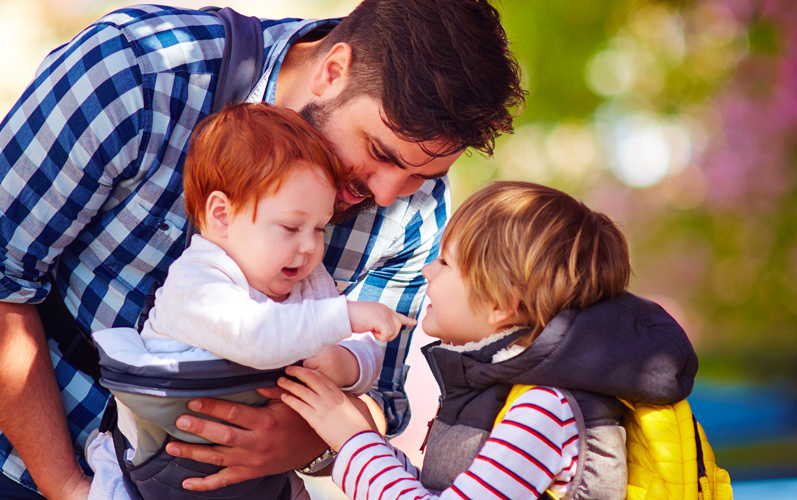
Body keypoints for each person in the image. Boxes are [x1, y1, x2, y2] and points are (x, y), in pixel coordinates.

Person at [0, 1, 524, 498]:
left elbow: (382, 396)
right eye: (380, 153)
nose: (387, 194)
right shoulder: (136, 74)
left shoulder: (417, 211)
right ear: (333, 70)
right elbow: (4, 279)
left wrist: (307, 438)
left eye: (420, 174)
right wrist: (65, 486)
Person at [276, 181, 699, 499]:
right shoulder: (507, 389)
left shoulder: (545, 410)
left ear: (500, 304)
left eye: (445, 261)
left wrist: (354, 442)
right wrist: (357, 439)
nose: (427, 272)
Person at [86, 102, 416, 500]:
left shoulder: (310, 281)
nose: (310, 246)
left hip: (257, 480)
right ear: (222, 215)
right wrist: (347, 315)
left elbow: (366, 355)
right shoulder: (197, 281)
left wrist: (347, 364)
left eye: (320, 228)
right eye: (292, 227)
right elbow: (254, 336)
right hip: (150, 471)